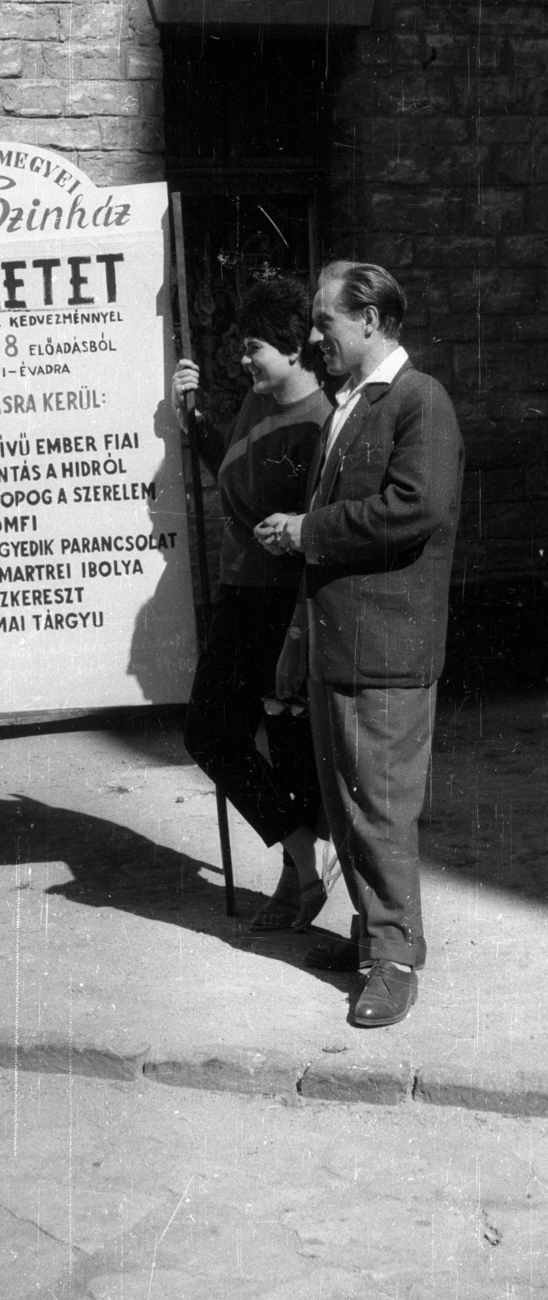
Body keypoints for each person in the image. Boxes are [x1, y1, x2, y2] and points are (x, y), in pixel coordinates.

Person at [256, 261, 464, 1028]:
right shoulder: (350, 403)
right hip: (333, 640)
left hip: (386, 648)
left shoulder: (420, 401)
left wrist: (307, 531)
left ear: (369, 319)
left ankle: (395, 960)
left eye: (324, 323)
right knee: (346, 806)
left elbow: (417, 506)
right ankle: (373, 930)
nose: (312, 338)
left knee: (379, 807)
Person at [171, 277, 332, 933]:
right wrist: (196, 419)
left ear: (294, 348)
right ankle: (302, 858)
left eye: (254, 347)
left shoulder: (319, 426)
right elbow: (237, 479)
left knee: (274, 743)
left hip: (282, 606)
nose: (243, 359)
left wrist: (299, 628)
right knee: (214, 733)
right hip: (239, 594)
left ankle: (300, 869)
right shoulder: (255, 404)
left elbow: (316, 533)